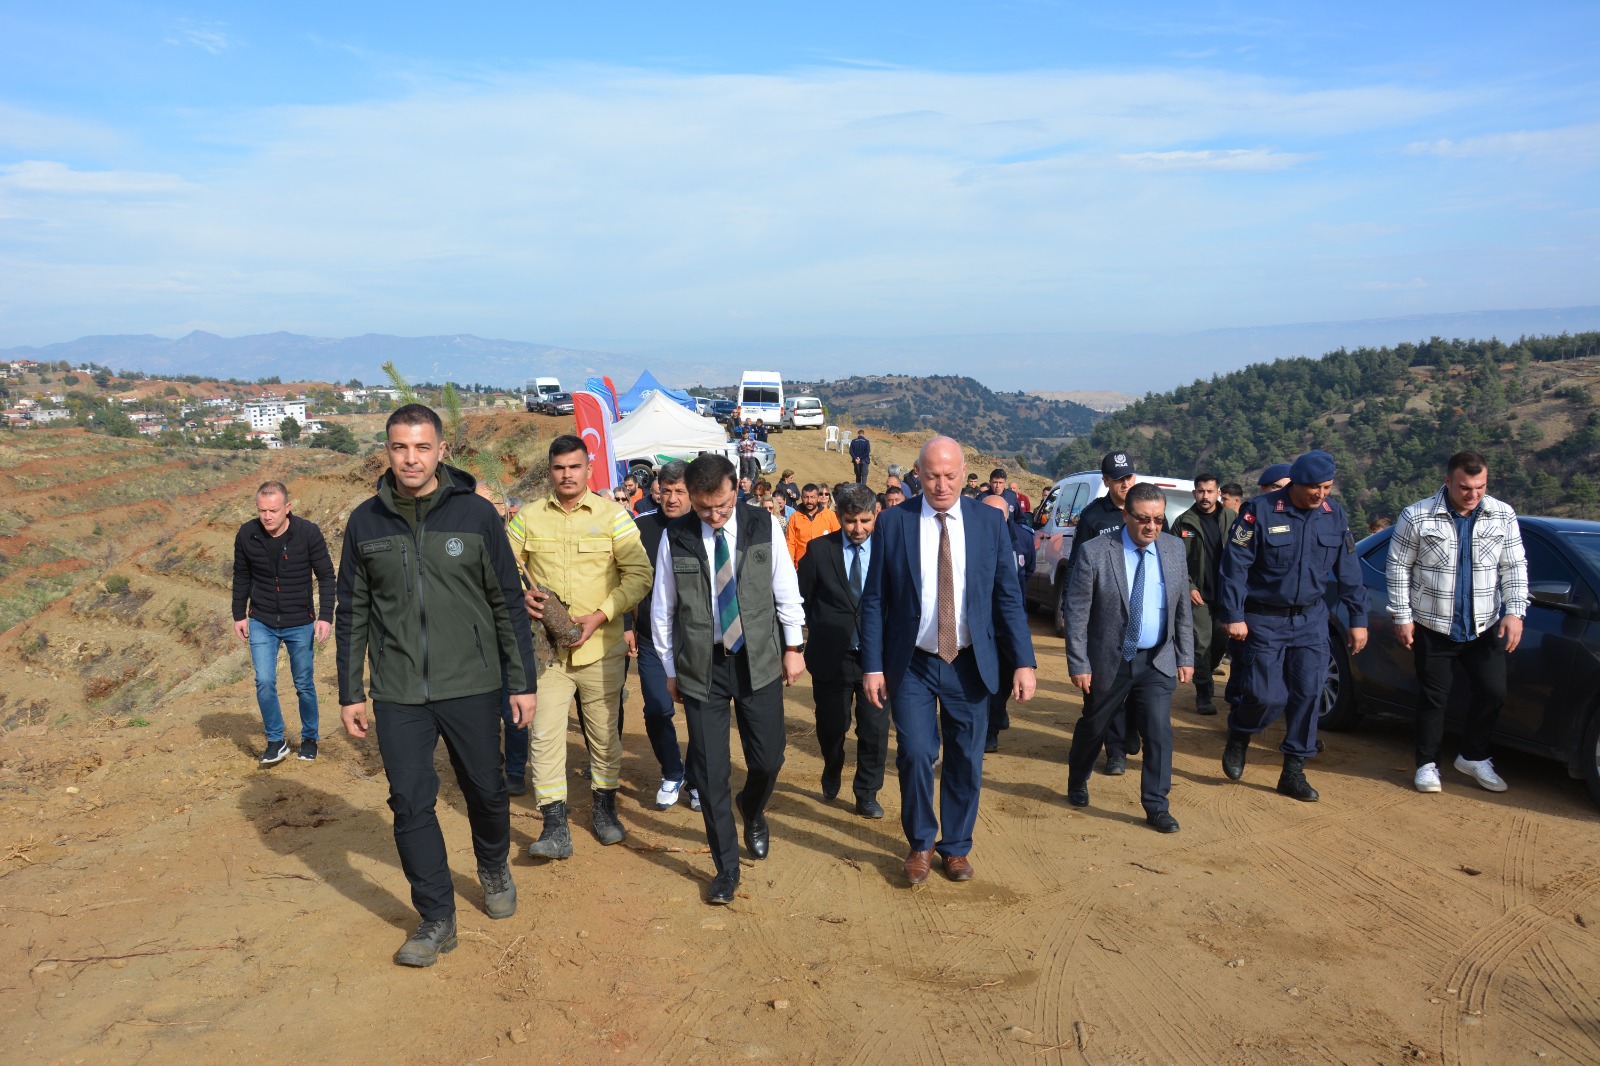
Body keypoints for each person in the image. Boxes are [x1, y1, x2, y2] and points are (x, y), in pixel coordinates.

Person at [336, 403, 538, 967]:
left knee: (487, 790)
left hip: (471, 682)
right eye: (400, 447)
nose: (411, 458)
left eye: (422, 447)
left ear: (441, 451)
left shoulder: (475, 516)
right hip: (398, 690)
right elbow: (351, 611)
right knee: (409, 803)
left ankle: (493, 862)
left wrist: (521, 681)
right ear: (387, 451)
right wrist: (351, 691)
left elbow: (507, 605)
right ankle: (436, 918)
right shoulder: (365, 523)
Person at [860, 436, 1037, 886]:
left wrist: (1024, 661)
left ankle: (955, 848)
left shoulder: (987, 523)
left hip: (970, 662)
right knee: (916, 753)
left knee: (966, 757)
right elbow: (875, 599)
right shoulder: (894, 523)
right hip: (913, 662)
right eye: (932, 475)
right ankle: (920, 842)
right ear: (918, 475)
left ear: (963, 474)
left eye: (950, 475)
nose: (941, 485)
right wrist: (873, 665)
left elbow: (1008, 598)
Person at [650, 454, 807, 905]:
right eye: (703, 509)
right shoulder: (675, 536)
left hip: (758, 660)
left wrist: (793, 649)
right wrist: (669, 670)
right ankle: (725, 869)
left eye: (721, 506)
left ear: (735, 488)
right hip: (702, 668)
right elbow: (663, 609)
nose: (714, 517)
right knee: (712, 775)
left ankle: (753, 809)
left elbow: (786, 590)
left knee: (768, 759)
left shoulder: (763, 526)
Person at [511, 435, 653, 859]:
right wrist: (520, 595)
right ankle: (554, 824)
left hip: (602, 649)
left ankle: (605, 809)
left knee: (604, 734)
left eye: (574, 467)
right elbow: (501, 567)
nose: (567, 475)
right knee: (544, 734)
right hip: (548, 655)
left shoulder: (615, 517)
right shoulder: (528, 518)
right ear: (550, 471)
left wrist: (603, 614)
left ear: (588, 468)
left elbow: (640, 575)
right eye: (559, 468)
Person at [1217, 450, 1368, 802]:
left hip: (1311, 619)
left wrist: (1358, 619)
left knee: (1308, 694)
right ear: (1296, 483)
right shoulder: (1260, 511)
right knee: (1267, 696)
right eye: (1314, 487)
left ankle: (1293, 770)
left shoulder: (1334, 515)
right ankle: (1240, 731)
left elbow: (1349, 570)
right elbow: (1234, 564)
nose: (1321, 494)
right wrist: (1233, 614)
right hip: (1264, 617)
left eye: (1327, 487)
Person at [1387, 450, 1527, 793]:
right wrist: (1402, 616)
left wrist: (1515, 611)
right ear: (1448, 480)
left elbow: (1514, 565)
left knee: (1493, 691)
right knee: (1435, 698)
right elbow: (1398, 567)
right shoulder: (1417, 516)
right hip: (1433, 624)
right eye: (1465, 487)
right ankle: (1427, 765)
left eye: (1480, 486)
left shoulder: (1502, 515)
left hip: (1484, 625)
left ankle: (1473, 757)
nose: (1473, 494)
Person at [1064, 482, 1195, 832]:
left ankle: (1156, 805)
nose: (1151, 526)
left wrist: (1186, 655)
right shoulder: (1096, 551)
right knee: (1094, 725)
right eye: (1143, 519)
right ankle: (1078, 779)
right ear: (1126, 515)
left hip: (1156, 659)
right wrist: (1079, 663)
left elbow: (1181, 607)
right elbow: (1077, 612)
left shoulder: (1173, 549)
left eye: (1157, 519)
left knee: (1158, 730)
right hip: (1109, 659)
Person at [797, 483, 890, 818]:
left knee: (875, 730)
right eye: (851, 521)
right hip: (830, 657)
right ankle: (832, 766)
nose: (858, 529)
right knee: (832, 726)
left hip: (876, 659)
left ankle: (867, 792)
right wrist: (818, 627)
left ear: (875, 515)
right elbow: (799, 599)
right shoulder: (820, 549)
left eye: (865, 521)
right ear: (839, 517)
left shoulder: (888, 549)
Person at [232, 480, 336, 766]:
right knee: (264, 680)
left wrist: (326, 616)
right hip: (261, 620)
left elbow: (326, 576)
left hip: (300, 620)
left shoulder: (308, 533)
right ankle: (276, 740)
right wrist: (238, 614)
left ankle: (310, 737)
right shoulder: (247, 534)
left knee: (303, 682)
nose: (267, 516)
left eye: (274, 510)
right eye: (262, 510)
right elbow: (241, 576)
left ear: (287, 508)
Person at [1064, 451, 1154, 776]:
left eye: (1129, 477)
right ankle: (1114, 752)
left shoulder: (1149, 514)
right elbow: (1076, 566)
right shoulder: (1093, 518)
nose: (1125, 484)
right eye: (1118, 479)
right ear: (1106, 482)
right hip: (1105, 621)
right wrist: (1070, 610)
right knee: (1106, 691)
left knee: (1143, 690)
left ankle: (1129, 734)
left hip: (1143, 618)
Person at [631, 461, 700, 811]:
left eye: (679, 492)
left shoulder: (706, 527)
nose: (671, 499)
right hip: (651, 639)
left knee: (703, 713)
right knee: (658, 708)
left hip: (699, 640)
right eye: (666, 491)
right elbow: (621, 578)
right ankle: (673, 772)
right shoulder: (640, 528)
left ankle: (699, 778)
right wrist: (628, 627)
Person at [1173, 474, 1236, 715]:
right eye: (1200, 491)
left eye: (1209, 491)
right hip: (1198, 594)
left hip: (1225, 594)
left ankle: (1205, 675)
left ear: (1218, 492)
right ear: (1194, 494)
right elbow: (1176, 560)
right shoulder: (1183, 522)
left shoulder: (1231, 518)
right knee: (1201, 643)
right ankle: (1203, 693)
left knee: (1220, 643)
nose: (1205, 496)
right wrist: (1188, 586)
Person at [980, 493, 1036, 753]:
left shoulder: (1023, 539)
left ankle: (997, 713)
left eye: (999, 516)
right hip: (981, 623)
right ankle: (987, 731)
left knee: (1004, 678)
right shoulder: (970, 540)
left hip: (1011, 621)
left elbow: (1029, 572)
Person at [785, 483, 840, 564]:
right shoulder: (795, 518)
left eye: (812, 497)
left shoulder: (830, 516)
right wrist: (790, 565)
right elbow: (790, 544)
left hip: (826, 564)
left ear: (818, 498)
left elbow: (838, 541)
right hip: (802, 566)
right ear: (801, 498)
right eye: (806, 497)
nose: (809, 501)